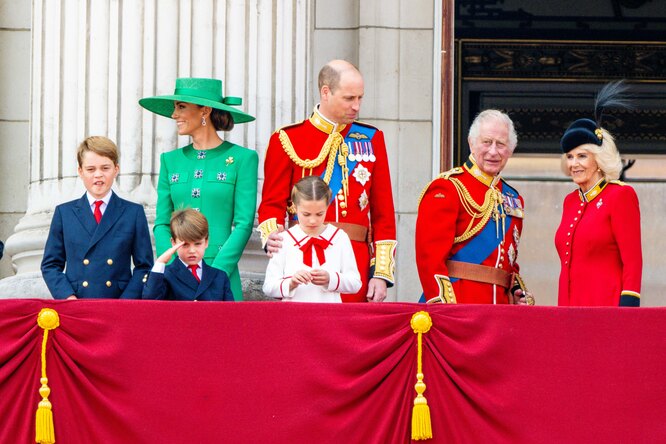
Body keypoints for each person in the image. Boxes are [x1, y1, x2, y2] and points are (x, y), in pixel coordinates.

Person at [257, 60, 396, 303]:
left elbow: (384, 213)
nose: (357, 106)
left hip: (355, 261)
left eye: (360, 98)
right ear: (325, 92)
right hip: (301, 260)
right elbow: (272, 204)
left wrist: (380, 274)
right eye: (349, 98)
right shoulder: (288, 139)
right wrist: (274, 241)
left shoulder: (372, 138)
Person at [139, 77, 258, 301]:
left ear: (205, 110)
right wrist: (175, 265)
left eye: (181, 107)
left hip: (222, 272)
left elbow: (243, 223)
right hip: (176, 278)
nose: (174, 115)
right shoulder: (169, 160)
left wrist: (218, 272)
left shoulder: (244, 158)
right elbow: (162, 223)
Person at [415, 110, 533, 305]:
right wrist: (443, 307)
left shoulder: (513, 198)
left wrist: (515, 291)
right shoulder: (448, 188)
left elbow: (508, 262)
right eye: (486, 142)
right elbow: (430, 259)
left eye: (501, 144)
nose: (493, 151)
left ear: (510, 150)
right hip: (461, 305)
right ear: (471, 143)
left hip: (500, 312)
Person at [555, 83, 642, 306]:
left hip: (606, 308)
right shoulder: (570, 201)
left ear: (599, 159)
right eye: (570, 157)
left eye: (582, 156)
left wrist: (628, 309)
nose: (574, 163)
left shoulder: (620, 195)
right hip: (569, 308)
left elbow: (632, 261)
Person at [41, 136, 153, 299]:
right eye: (91, 169)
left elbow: (144, 266)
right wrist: (67, 297)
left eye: (105, 168)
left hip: (118, 303)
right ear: (80, 171)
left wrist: (126, 302)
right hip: (78, 303)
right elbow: (50, 265)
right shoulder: (64, 213)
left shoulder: (133, 213)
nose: (98, 175)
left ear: (116, 169)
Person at [263, 176, 362, 302]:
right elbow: (268, 287)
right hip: (293, 316)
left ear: (327, 206)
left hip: (330, 316)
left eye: (320, 214)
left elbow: (355, 283)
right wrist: (291, 282)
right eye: (306, 214)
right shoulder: (283, 240)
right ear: (295, 207)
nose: (313, 220)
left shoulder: (340, 237)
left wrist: (331, 279)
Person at [143, 209, 234, 301]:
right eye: (185, 244)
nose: (192, 250)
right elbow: (150, 302)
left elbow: (230, 312)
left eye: (197, 244)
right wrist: (160, 262)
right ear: (173, 242)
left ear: (206, 242)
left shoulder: (219, 277)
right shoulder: (165, 275)